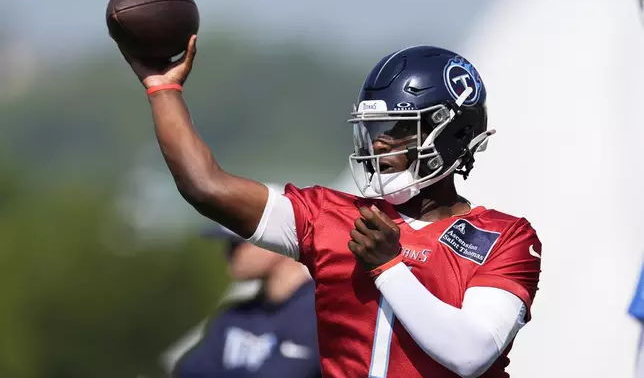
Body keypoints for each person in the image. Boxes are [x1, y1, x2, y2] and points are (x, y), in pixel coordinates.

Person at [117, 37, 542, 378]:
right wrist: (162, 88)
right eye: (373, 129)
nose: (377, 143)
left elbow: (470, 354)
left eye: (395, 129)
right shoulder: (328, 216)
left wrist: (390, 268)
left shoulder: (505, 236)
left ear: (450, 132)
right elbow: (205, 186)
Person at [170, 222, 320, 378]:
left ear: (278, 241)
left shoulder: (322, 314)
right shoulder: (234, 315)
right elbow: (188, 371)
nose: (228, 254)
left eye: (237, 243)